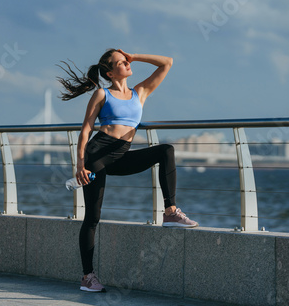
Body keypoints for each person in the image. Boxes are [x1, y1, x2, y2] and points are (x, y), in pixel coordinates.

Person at [57, 48, 199, 293]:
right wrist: (80, 164)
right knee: (93, 217)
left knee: (166, 151)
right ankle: (87, 277)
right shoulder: (102, 94)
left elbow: (167, 63)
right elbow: (85, 130)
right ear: (111, 73)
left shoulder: (139, 92)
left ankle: (171, 212)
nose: (126, 64)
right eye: (120, 62)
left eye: (125, 61)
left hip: (121, 155)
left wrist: (134, 56)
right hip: (97, 156)